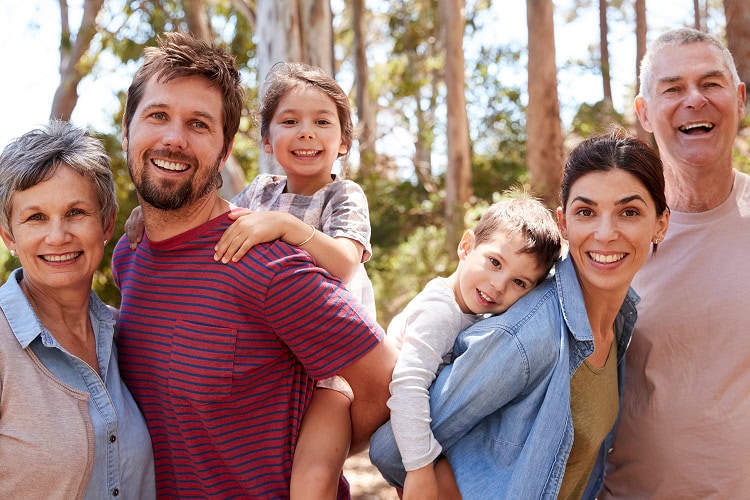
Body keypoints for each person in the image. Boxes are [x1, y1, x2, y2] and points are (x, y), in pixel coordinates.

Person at [112, 31, 398, 499]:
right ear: (127, 132)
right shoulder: (129, 254)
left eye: (199, 124)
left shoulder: (263, 260)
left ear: (225, 151)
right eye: (158, 115)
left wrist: (315, 454)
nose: (173, 138)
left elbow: (383, 383)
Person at [370, 129, 670, 499]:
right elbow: (391, 451)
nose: (605, 233)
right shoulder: (526, 336)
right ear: (564, 224)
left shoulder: (620, 320)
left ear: (661, 224)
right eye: (586, 212)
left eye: (629, 212)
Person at [601, 28, 750, 498]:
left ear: (740, 98)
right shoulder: (611, 237)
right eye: (673, 88)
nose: (695, 100)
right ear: (644, 113)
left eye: (711, 84)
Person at [0, 120, 155, 499]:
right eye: (36, 217)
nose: (57, 236)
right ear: (9, 237)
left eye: (76, 212)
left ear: (105, 223)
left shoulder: (127, 333)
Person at [386, 192, 562, 499]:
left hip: (426, 432)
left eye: (519, 283)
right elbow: (408, 384)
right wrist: (419, 468)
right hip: (409, 434)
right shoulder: (440, 312)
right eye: (494, 262)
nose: (498, 285)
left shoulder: (473, 311)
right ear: (466, 246)